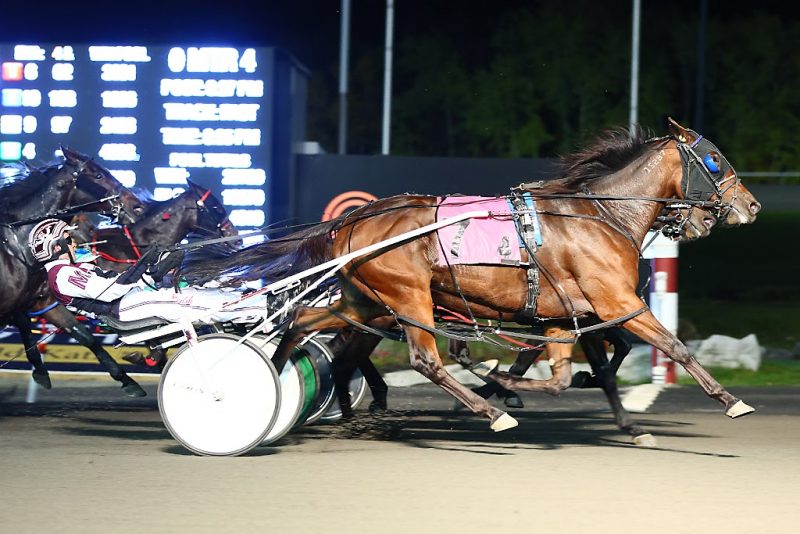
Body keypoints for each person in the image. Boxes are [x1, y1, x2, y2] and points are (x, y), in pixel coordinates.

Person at [29, 218, 267, 326]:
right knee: (185, 300)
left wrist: (155, 267)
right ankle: (260, 308)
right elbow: (109, 292)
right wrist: (143, 263)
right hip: (122, 307)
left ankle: (254, 300)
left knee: (195, 287)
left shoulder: (68, 270)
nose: (73, 243)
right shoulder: (61, 274)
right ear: (56, 246)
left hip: (130, 299)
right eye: (68, 239)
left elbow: (123, 283)